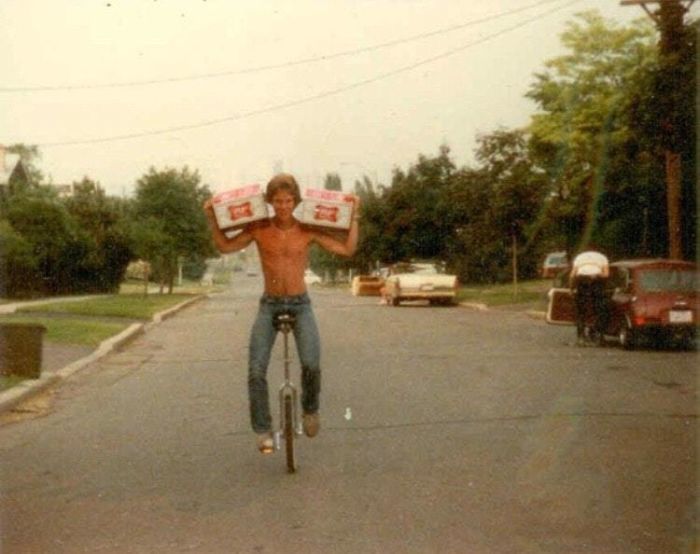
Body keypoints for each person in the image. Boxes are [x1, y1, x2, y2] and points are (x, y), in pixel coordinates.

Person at [204, 173, 360, 453]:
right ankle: (263, 429)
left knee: (311, 364)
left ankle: (310, 409)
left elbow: (347, 249)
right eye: (278, 201)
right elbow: (225, 246)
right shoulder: (259, 228)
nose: (283, 206)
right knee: (256, 370)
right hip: (270, 304)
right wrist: (212, 219)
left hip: (301, 304)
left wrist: (355, 216)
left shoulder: (308, 229)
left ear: (296, 201)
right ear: (270, 202)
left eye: (288, 201)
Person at [569, 246, 609, 346]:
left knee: (581, 310)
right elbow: (606, 274)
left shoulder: (579, 257)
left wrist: (571, 288)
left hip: (582, 281)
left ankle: (581, 337)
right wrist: (597, 276)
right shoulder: (602, 257)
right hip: (597, 281)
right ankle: (598, 335)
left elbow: (572, 275)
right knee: (599, 309)